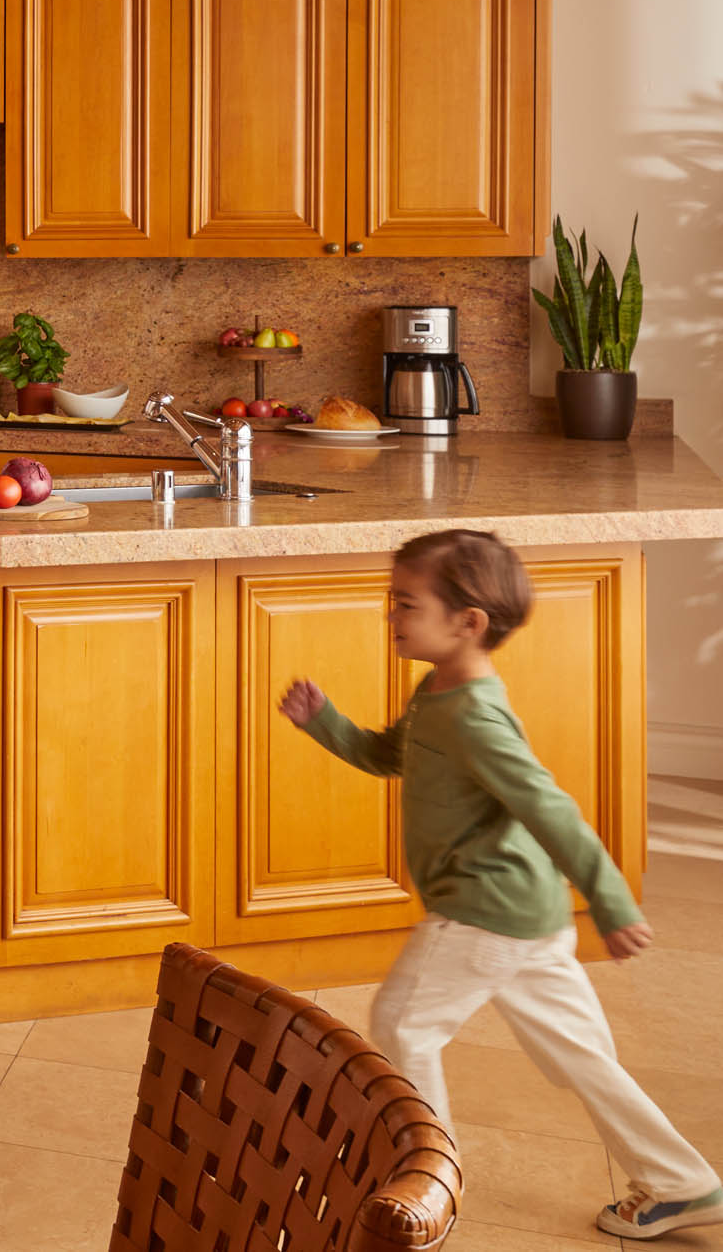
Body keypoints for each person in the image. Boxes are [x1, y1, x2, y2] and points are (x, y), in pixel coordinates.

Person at [279, 529, 720, 1240]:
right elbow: (389, 754)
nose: (389, 615)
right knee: (581, 1055)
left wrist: (610, 900)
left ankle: (425, 1187)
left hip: (487, 911)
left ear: (468, 621)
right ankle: (682, 1182)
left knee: (403, 1022)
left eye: (405, 602)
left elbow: (551, 808)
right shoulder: (440, 688)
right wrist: (324, 722)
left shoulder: (477, 716)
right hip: (528, 916)